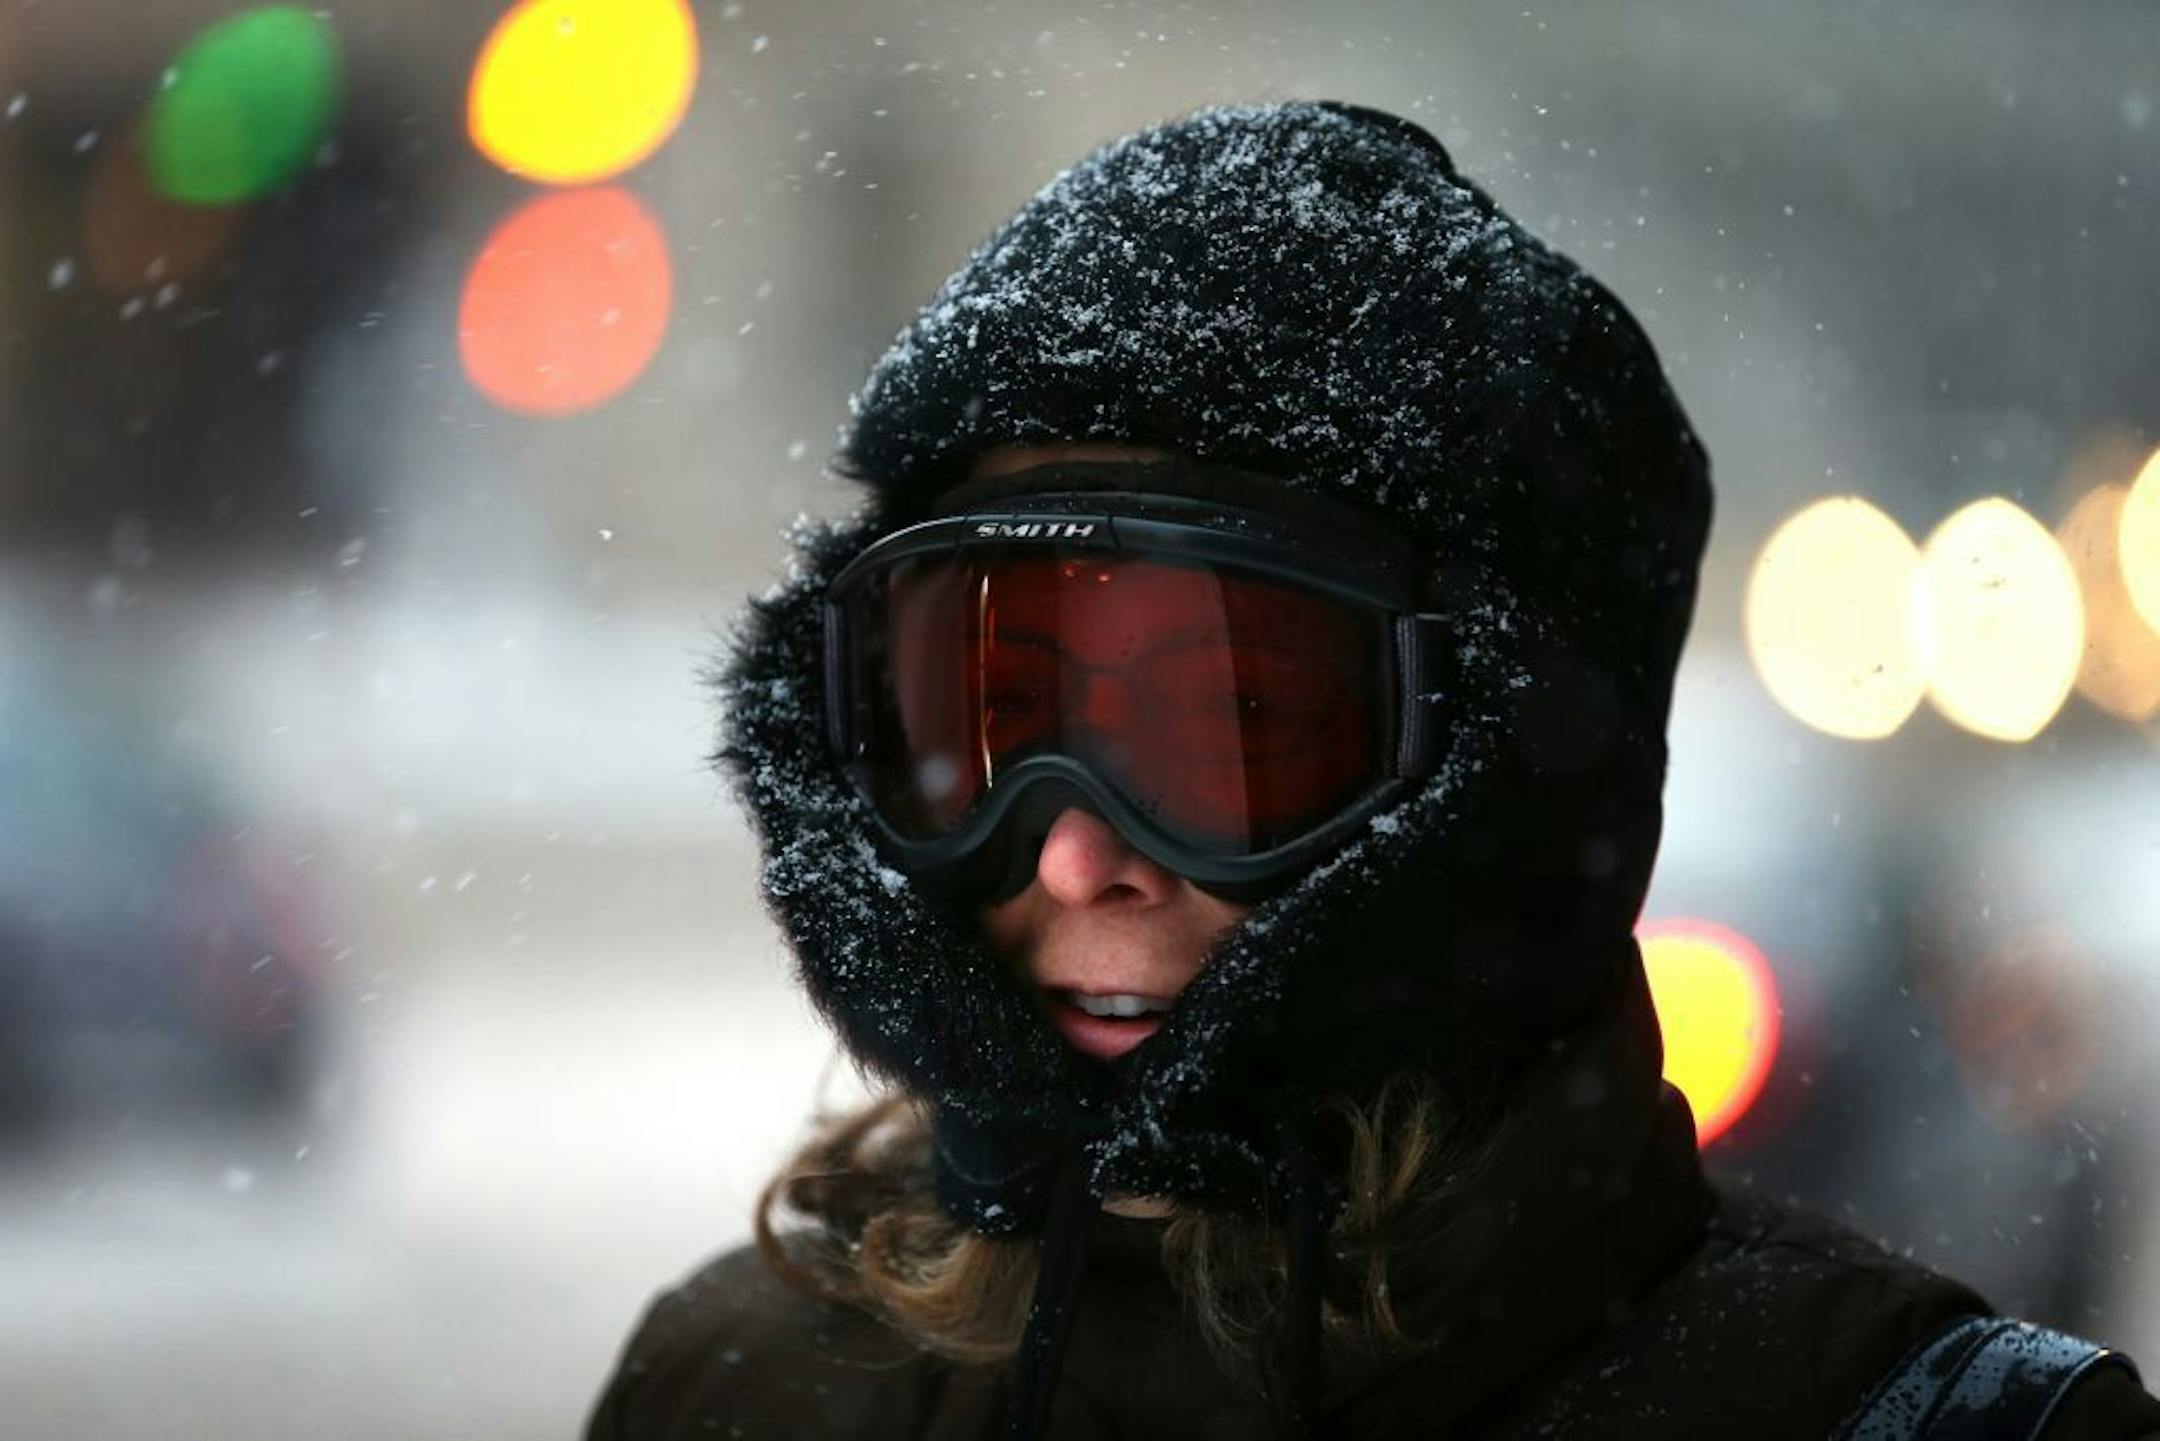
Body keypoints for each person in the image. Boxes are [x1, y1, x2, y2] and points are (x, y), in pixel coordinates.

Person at [584, 102, 2160, 1439]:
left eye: (1233, 730)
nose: (1074, 857)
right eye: (986, 722)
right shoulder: (734, 1384)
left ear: (1501, 770)